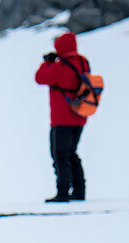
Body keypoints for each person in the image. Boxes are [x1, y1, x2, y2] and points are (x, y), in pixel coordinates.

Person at [35, 32, 89, 203]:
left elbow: (40, 77)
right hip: (80, 115)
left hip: (62, 119)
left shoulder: (60, 67)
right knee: (71, 153)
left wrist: (47, 62)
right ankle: (79, 190)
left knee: (60, 155)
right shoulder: (82, 62)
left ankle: (63, 192)